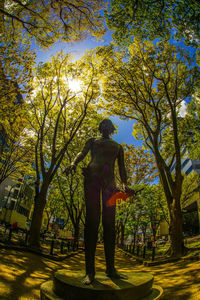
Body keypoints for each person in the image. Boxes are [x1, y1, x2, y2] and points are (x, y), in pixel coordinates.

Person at [68, 119, 131, 285]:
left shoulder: (118, 147)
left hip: (110, 185)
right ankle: (90, 272)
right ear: (100, 127)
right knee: (92, 223)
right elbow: (81, 153)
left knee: (110, 226)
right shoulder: (92, 141)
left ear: (111, 129)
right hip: (92, 180)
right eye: (102, 125)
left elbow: (122, 168)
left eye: (108, 126)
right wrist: (74, 163)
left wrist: (125, 185)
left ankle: (111, 269)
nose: (105, 128)